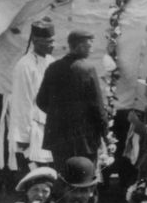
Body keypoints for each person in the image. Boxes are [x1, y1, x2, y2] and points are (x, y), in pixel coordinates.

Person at [36, 28, 109, 166]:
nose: (91, 50)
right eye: (89, 46)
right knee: (84, 178)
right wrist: (105, 132)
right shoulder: (88, 69)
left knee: (62, 176)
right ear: (80, 46)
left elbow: (41, 101)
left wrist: (58, 114)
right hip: (84, 139)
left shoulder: (53, 67)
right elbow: (97, 107)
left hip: (58, 137)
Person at [11, 21, 55, 164]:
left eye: (53, 41)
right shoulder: (24, 65)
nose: (52, 45)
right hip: (33, 130)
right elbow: (22, 103)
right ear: (36, 41)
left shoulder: (51, 61)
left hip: (49, 127)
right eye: (48, 42)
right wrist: (23, 137)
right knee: (35, 171)